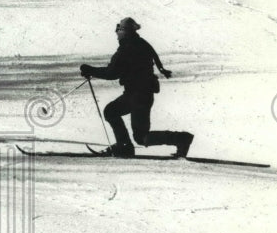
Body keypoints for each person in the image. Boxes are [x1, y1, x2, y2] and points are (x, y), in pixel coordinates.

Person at [79, 17, 193, 158]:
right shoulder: (140, 43)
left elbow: (112, 72)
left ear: (125, 32)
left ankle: (126, 146)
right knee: (118, 117)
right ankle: (179, 139)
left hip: (136, 95)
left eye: (119, 30)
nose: (116, 33)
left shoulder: (127, 48)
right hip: (142, 94)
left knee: (117, 117)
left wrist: (90, 70)